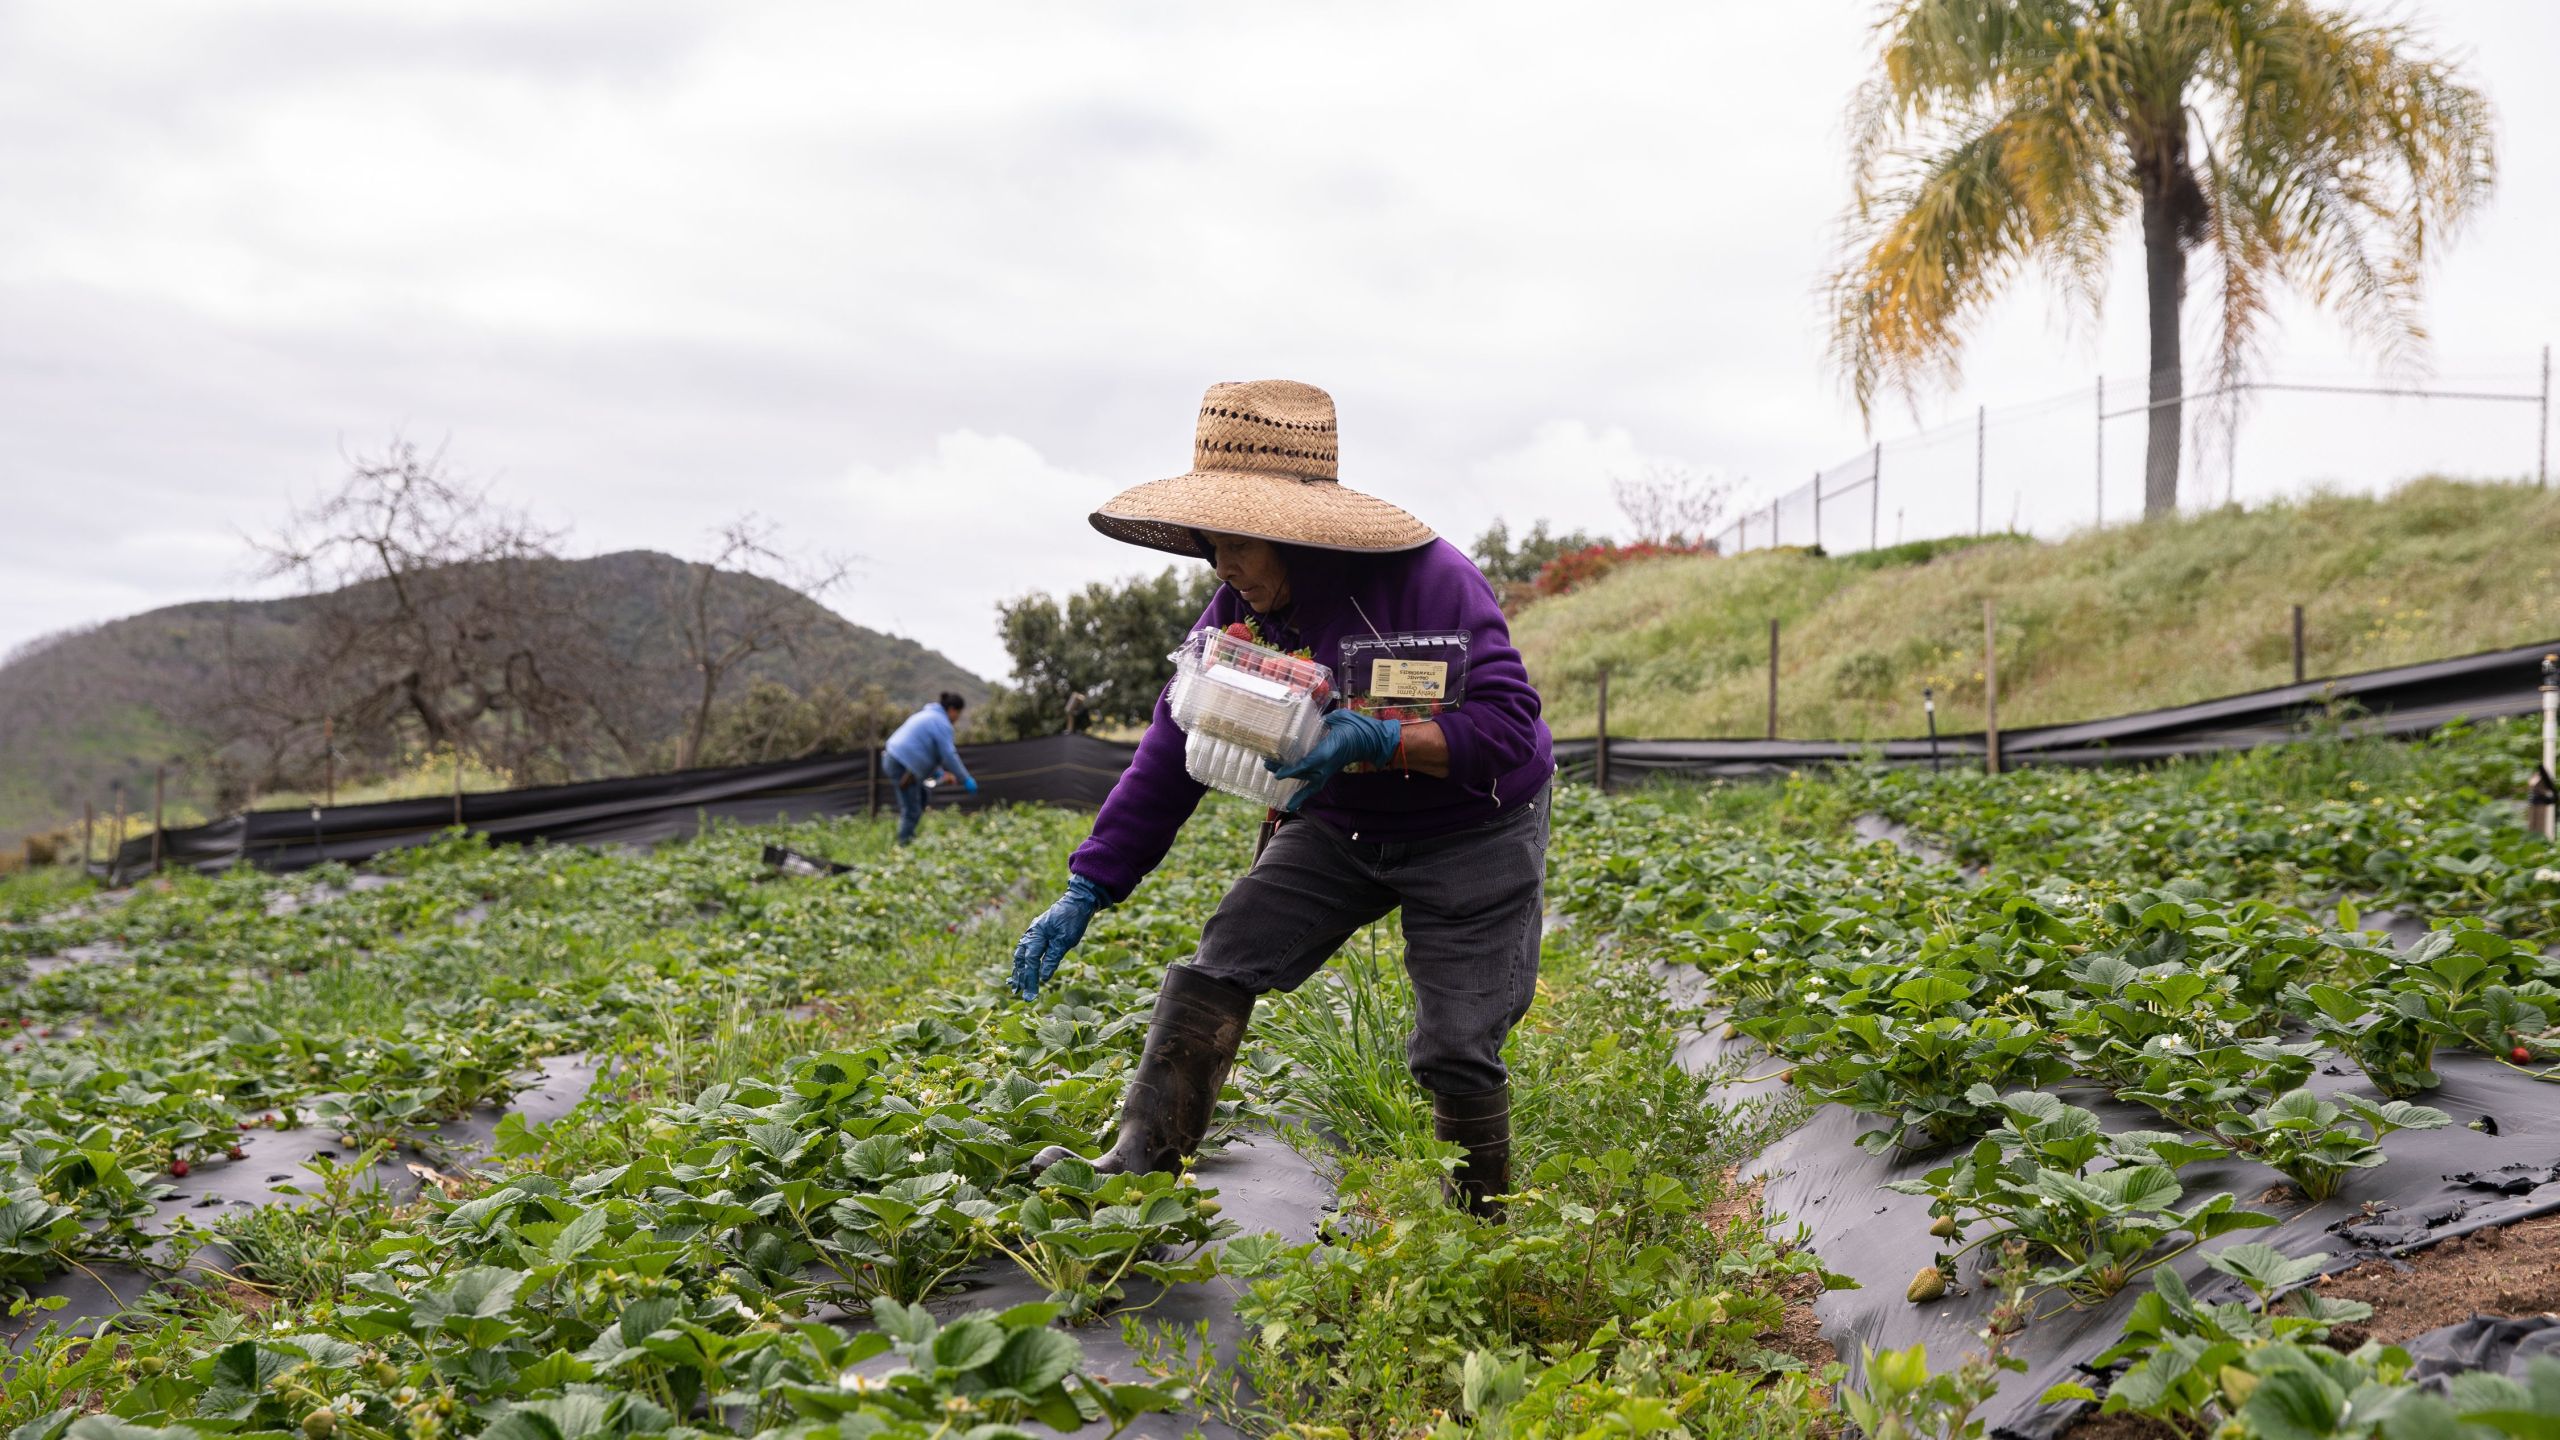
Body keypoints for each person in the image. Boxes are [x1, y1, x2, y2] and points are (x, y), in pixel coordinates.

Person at [1010, 379, 1553, 1216]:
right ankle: (1141, 1164)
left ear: (1293, 532)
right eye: (1207, 543)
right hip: (1342, 825)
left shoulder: (1429, 581)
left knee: (1455, 1042)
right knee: (1222, 957)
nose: (1220, 565)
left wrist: (1384, 738)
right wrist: (1092, 884)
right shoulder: (1237, 610)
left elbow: (1511, 731)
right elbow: (1171, 746)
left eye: (1236, 544)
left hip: (1471, 828)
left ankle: (1478, 1223)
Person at [881, 691, 978, 845]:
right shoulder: (941, 723)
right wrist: (965, 779)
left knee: (923, 796)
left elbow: (926, 754)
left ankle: (908, 838)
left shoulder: (928, 716)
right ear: (952, 710)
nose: (957, 718)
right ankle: (903, 846)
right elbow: (949, 755)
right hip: (901, 764)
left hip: (896, 759)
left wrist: (940, 774)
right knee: (912, 808)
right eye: (958, 713)